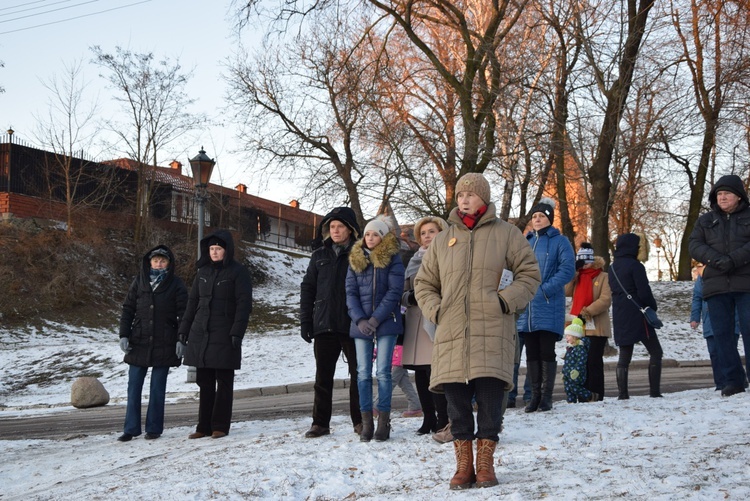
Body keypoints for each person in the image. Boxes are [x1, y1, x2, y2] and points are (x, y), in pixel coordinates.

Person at [415, 173, 540, 490]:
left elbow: (529, 275)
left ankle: (485, 466)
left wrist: (504, 302)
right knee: (456, 405)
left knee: (490, 403)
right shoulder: (444, 239)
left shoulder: (508, 234)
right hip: (452, 332)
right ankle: (463, 466)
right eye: (460, 195)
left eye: (470, 194)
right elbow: (424, 283)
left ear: (483, 198)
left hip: (493, 330)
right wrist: (437, 310)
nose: (464, 199)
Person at [179, 230, 253, 439]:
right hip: (201, 333)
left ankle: (220, 425)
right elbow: (192, 302)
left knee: (224, 381)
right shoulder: (202, 272)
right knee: (205, 381)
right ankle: (203, 426)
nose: (214, 252)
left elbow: (244, 304)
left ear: (226, 250)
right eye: (211, 249)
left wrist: (237, 332)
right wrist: (183, 330)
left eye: (218, 249)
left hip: (225, 333)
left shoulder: (238, 272)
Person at [300, 207, 363, 438]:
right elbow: (308, 288)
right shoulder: (319, 255)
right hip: (324, 324)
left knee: (359, 375)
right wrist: (306, 321)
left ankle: (360, 421)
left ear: (350, 230)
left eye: (340, 226)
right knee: (323, 377)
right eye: (332, 227)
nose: (335, 231)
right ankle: (320, 423)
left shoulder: (360, 254)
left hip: (353, 324)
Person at [117, 245, 187, 442]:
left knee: (157, 388)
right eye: (155, 260)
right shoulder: (139, 281)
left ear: (169, 263)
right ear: (149, 262)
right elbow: (128, 309)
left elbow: (184, 313)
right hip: (138, 341)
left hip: (165, 342)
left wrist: (182, 339)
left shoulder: (176, 284)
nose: (159, 263)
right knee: (134, 386)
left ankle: (154, 428)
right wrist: (124, 335)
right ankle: (130, 429)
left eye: (163, 261)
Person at [689, 174, 750, 397]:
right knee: (722, 335)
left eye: (727, 194)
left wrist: (733, 260)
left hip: (746, 284)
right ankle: (732, 381)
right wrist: (716, 260)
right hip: (716, 285)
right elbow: (694, 245)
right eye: (719, 194)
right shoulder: (705, 220)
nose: (722, 198)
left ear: (739, 196)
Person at [346, 215, 404, 442]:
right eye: (368, 234)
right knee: (362, 373)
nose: (370, 238)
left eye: (375, 234)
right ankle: (366, 422)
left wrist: (375, 319)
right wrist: (360, 320)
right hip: (360, 324)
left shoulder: (393, 259)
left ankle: (384, 422)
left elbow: (394, 291)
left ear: (383, 237)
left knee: (383, 372)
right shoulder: (355, 260)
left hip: (386, 321)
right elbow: (350, 293)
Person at [516, 197, 575, 412]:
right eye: (534, 216)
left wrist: (545, 289)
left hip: (549, 304)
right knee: (531, 352)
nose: (537, 219)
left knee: (546, 350)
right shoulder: (526, 241)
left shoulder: (561, 242)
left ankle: (546, 397)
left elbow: (567, 270)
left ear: (549, 218)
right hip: (527, 307)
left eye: (541, 216)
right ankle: (534, 396)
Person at [401, 215, 450, 436]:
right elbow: (400, 292)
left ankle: (443, 418)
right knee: (420, 371)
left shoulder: (448, 256)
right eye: (423, 233)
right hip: (414, 319)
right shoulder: (412, 260)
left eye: (431, 231)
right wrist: (408, 297)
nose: (427, 236)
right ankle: (428, 417)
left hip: (435, 318)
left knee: (435, 371)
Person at [608, 232, 663, 400]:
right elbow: (644, 291)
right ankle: (654, 392)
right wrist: (652, 307)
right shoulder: (636, 266)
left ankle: (622, 394)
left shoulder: (612, 268)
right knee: (655, 351)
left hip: (620, 314)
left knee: (624, 355)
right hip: (638, 313)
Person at [565, 242, 611, 401]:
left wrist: (587, 312)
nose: (585, 264)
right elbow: (565, 291)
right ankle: (584, 395)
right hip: (578, 328)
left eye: (587, 261)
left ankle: (596, 394)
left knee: (593, 362)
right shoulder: (577, 277)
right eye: (581, 261)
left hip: (596, 327)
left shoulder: (603, 276)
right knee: (580, 363)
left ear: (593, 260)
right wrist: (574, 272)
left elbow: (605, 299)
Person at [690, 261, 746, 391]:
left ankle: (737, 380)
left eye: (700, 267)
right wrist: (695, 317)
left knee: (729, 348)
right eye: (697, 267)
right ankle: (720, 383)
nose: (698, 270)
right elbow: (697, 298)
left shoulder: (725, 277)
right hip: (709, 321)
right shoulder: (701, 280)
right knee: (714, 352)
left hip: (730, 320)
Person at [561, 318, 597, 403]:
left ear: (575, 336)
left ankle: (590, 395)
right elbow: (568, 361)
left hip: (577, 372)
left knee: (574, 387)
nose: (566, 338)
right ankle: (571, 402)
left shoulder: (580, 347)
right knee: (567, 388)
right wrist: (564, 372)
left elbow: (582, 359)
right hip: (568, 372)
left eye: (569, 336)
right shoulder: (570, 347)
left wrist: (577, 370)